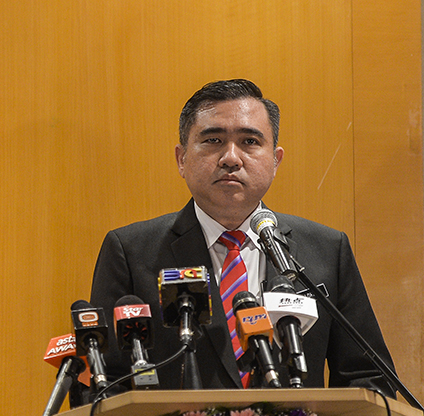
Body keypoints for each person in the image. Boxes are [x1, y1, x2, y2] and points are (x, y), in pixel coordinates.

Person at [86, 79, 395, 394]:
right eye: (213, 140)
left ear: (275, 160)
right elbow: (106, 385)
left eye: (249, 141)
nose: (230, 158)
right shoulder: (131, 251)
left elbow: (370, 379)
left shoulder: (326, 250)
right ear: (181, 159)